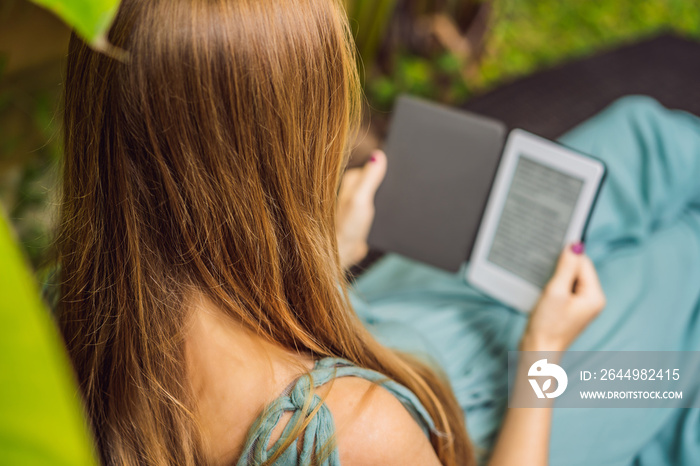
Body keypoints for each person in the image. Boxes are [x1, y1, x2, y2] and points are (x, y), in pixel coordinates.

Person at [55, 0, 700, 465]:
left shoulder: (77, 313)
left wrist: (328, 261)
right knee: (685, 256)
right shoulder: (358, 434)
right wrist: (543, 355)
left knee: (641, 136)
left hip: (376, 323)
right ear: (274, 151)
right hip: (513, 403)